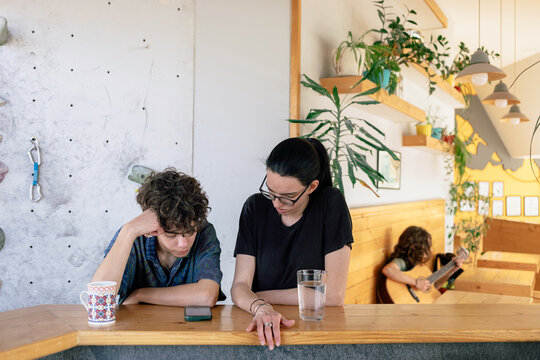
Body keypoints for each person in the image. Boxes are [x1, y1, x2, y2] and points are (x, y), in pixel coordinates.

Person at [231, 138, 353, 350]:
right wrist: (260, 308)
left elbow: (333, 294)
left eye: (288, 197)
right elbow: (240, 287)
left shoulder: (330, 204)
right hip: (259, 326)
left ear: (312, 187)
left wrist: (259, 298)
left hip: (314, 333)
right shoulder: (255, 208)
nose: (276, 203)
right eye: (270, 191)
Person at [92, 168, 225, 306]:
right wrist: (128, 231)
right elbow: (99, 300)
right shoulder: (133, 235)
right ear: (153, 227)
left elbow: (206, 296)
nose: (183, 243)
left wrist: (140, 295)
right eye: (171, 234)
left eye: (190, 231)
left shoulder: (204, 232)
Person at [381, 226, 463, 292]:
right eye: (427, 246)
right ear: (414, 247)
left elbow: (434, 286)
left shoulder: (418, 265)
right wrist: (415, 282)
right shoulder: (402, 261)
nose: (430, 249)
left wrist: (452, 270)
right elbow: (388, 269)